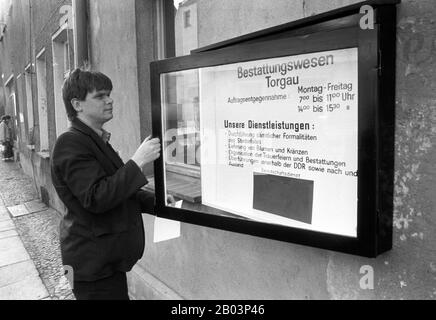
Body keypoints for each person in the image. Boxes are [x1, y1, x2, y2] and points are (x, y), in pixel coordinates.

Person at [51, 68, 173, 300]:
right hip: (90, 267)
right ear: (77, 104)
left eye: (109, 94)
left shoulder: (95, 140)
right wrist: (137, 162)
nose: (110, 100)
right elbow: (97, 197)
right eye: (100, 96)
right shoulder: (70, 143)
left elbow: (119, 192)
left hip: (105, 262)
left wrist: (157, 200)